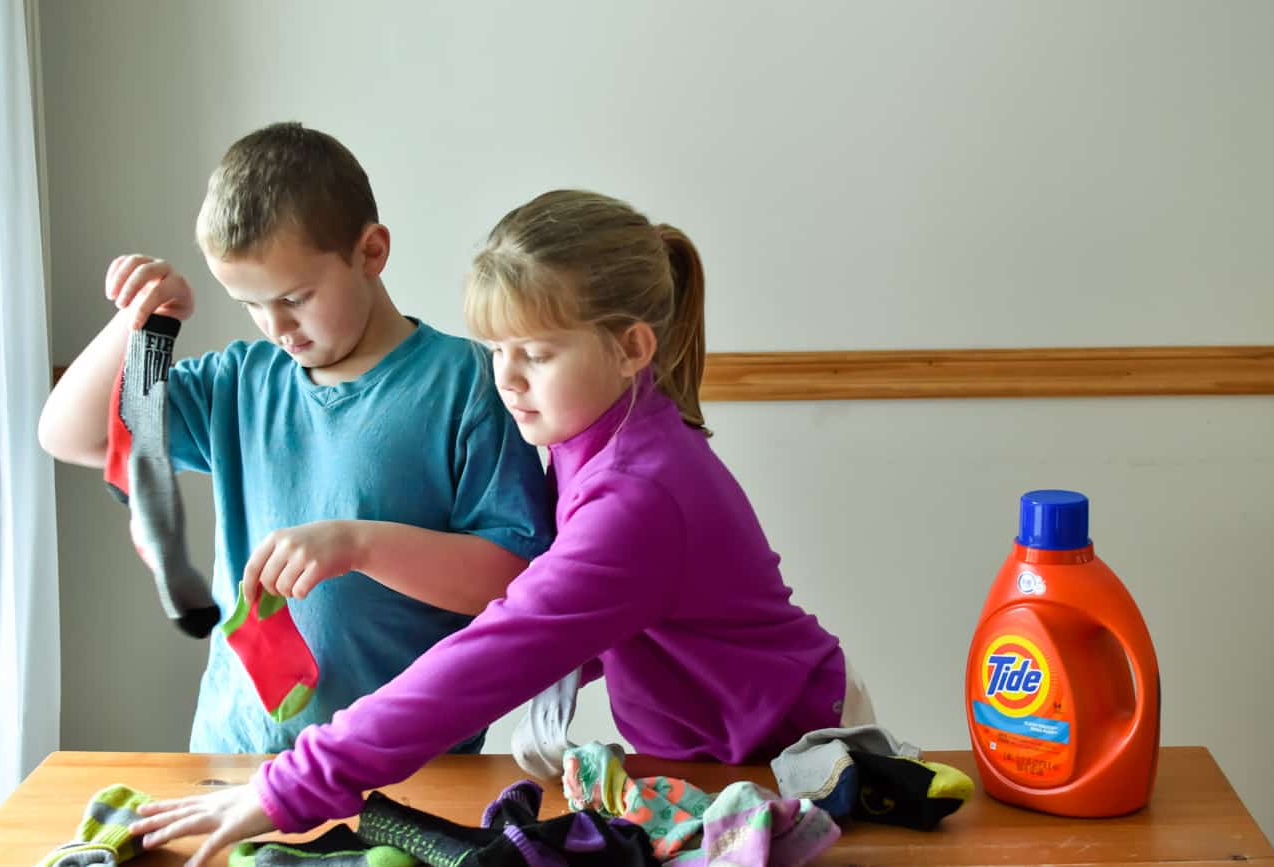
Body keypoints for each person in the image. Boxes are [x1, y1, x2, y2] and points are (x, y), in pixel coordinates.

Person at [130, 189, 874, 867]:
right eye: (496, 350)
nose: (507, 378)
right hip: (716, 749)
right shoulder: (599, 434)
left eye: (538, 353)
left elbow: (496, 650)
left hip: (781, 755)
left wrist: (293, 784)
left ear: (632, 348)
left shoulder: (638, 494)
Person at [37, 122, 553, 756]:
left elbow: (515, 580)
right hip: (234, 760)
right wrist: (142, 325)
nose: (277, 326)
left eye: (296, 297)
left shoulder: (466, 385)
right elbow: (73, 434)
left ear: (371, 252)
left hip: (407, 770)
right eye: (251, 304)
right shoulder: (240, 382)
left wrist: (359, 543)